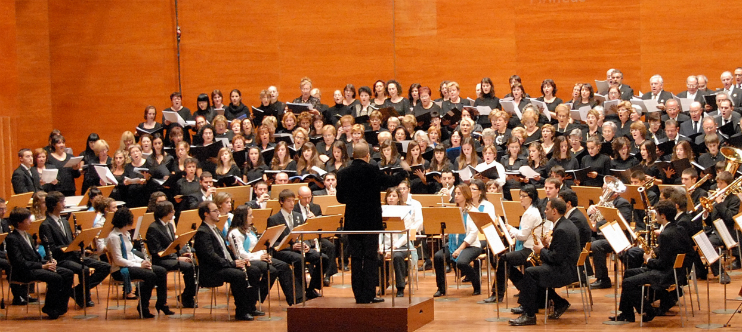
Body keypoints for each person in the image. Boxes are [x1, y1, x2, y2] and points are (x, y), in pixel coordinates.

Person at [336, 142, 407, 304]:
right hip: (370, 222)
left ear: (353, 155)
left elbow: (340, 198)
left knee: (355, 258)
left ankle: (358, 296)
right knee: (369, 258)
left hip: (353, 223)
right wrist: (403, 171)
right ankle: (369, 294)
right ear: (367, 155)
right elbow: (390, 181)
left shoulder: (343, 173)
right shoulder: (372, 170)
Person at [610, 200, 694, 322]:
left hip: (666, 274)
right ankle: (626, 313)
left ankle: (648, 311)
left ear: (663, 215)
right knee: (628, 273)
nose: (655, 217)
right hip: (677, 272)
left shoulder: (665, 235)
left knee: (628, 282)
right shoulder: (679, 229)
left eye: (657, 214)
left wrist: (648, 259)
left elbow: (661, 264)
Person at [509, 197, 580, 326]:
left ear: (554, 211)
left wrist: (541, 250)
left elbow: (556, 258)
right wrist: (547, 246)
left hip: (564, 271)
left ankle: (529, 315)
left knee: (531, 273)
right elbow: (559, 252)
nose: (545, 211)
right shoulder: (565, 224)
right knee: (535, 272)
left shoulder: (562, 229)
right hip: (566, 268)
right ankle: (559, 303)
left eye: (547, 209)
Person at [39, 191, 110, 309]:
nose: (64, 204)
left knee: (105, 267)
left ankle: (77, 291)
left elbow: (69, 242)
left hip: (72, 256)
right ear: (53, 205)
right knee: (84, 269)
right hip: (61, 259)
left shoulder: (65, 222)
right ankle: (84, 297)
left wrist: (77, 241)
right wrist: (67, 248)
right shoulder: (46, 225)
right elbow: (51, 248)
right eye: (61, 202)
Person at [194, 201, 261, 320]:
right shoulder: (202, 233)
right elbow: (210, 256)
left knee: (254, 270)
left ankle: (250, 306)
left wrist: (240, 260)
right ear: (206, 214)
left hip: (223, 265)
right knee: (238, 275)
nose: (218, 212)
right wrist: (232, 264)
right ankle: (241, 311)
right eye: (215, 211)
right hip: (212, 271)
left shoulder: (215, 229)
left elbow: (226, 251)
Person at [5, 207, 74, 319]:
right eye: (28, 219)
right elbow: (19, 263)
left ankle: (60, 307)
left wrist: (47, 261)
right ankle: (50, 308)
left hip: (34, 267)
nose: (31, 222)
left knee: (68, 273)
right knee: (55, 277)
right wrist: (43, 266)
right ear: (19, 223)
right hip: (23, 272)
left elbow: (35, 257)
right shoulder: (12, 239)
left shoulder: (28, 236)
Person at [106, 207, 173, 318]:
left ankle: (162, 303)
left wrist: (143, 261)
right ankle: (143, 307)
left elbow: (130, 254)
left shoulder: (126, 234)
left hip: (130, 264)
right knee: (150, 275)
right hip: (120, 269)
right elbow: (118, 260)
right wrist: (139, 265)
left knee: (161, 271)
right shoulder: (114, 237)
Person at [267, 189, 329, 302]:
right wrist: (290, 246)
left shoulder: (298, 216)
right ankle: (300, 292)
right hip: (282, 251)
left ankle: (311, 289)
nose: (292, 204)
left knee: (323, 258)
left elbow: (303, 235)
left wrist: (305, 244)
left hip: (299, 249)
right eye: (288, 201)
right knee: (299, 259)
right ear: (281, 202)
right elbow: (272, 242)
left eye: (293, 201)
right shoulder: (273, 219)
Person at [486, 184, 544, 303]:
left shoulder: (530, 213)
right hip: (528, 247)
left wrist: (510, 229)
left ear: (531, 198)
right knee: (505, 260)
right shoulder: (531, 211)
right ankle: (522, 287)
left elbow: (523, 236)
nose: (521, 198)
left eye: (524, 196)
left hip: (530, 250)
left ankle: (498, 293)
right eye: (520, 196)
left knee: (504, 259)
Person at [228, 205, 295, 305]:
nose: (252, 217)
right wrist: (259, 257)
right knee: (271, 271)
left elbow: (258, 246)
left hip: (259, 258)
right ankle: (255, 297)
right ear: (242, 217)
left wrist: (265, 255)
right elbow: (240, 253)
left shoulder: (251, 230)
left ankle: (293, 300)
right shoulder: (235, 233)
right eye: (250, 215)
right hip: (248, 260)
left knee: (284, 266)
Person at [432, 184, 483, 297]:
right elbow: (452, 227)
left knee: (462, 262)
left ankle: (476, 284)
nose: (456, 196)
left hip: (471, 246)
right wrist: (445, 233)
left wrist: (459, 249)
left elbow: (473, 233)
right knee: (438, 257)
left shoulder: (473, 211)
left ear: (465, 195)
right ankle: (441, 288)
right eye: (455, 193)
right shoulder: (453, 210)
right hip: (453, 244)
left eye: (459, 193)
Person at [145, 201, 197, 308]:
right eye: (172, 210)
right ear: (166, 212)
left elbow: (173, 244)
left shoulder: (168, 225)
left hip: (171, 257)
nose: (174, 212)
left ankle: (187, 295)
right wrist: (178, 258)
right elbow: (157, 251)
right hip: (161, 260)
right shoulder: (153, 228)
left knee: (196, 263)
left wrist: (183, 254)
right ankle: (187, 298)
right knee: (189, 267)